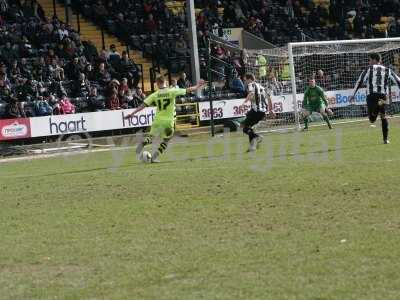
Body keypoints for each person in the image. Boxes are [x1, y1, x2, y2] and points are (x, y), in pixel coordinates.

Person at [124, 76, 206, 163]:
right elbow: (188, 89)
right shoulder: (172, 91)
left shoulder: (155, 94)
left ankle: (144, 142)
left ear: (157, 83)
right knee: (166, 140)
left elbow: (143, 105)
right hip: (168, 121)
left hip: (158, 120)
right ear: (165, 82)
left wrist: (132, 113)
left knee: (150, 137)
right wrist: (197, 86)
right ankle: (154, 158)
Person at [350, 53, 400, 144]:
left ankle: (377, 107)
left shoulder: (369, 69)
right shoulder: (388, 70)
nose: (369, 62)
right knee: (383, 117)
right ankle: (385, 139)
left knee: (372, 119)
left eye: (370, 60)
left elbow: (360, 81)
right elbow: (398, 81)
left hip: (371, 95)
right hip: (382, 95)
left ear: (374, 60)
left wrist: (353, 94)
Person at [242, 73, 274, 152]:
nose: (245, 82)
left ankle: (257, 137)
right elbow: (269, 98)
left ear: (249, 79)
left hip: (256, 111)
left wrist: (245, 102)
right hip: (262, 112)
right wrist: (271, 110)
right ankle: (252, 147)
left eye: (245, 80)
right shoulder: (261, 86)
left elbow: (251, 93)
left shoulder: (251, 85)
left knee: (245, 128)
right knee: (249, 127)